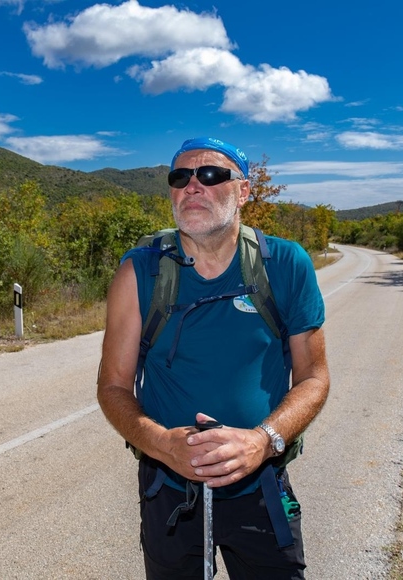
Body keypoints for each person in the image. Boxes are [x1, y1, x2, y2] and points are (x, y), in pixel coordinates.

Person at [97, 137, 330, 579]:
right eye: (180, 177)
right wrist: (163, 444)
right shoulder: (139, 272)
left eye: (210, 174)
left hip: (260, 485)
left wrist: (261, 441)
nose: (192, 186)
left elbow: (314, 378)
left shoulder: (285, 264)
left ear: (243, 191)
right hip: (169, 489)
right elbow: (112, 387)